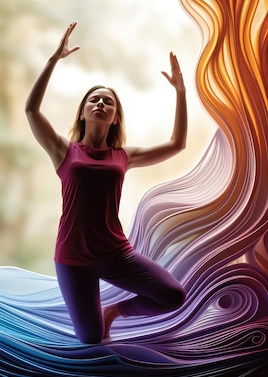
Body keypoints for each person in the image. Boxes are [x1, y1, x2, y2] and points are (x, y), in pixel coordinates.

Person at [25, 22, 187, 344]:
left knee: (173, 295)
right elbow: (31, 109)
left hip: (115, 254)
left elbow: (177, 144)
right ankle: (99, 321)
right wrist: (53, 60)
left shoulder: (123, 156)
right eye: (94, 100)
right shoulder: (63, 151)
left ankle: (113, 310)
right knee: (91, 339)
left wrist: (181, 93)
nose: (101, 104)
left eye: (108, 102)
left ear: (115, 118)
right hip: (73, 257)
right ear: (83, 113)